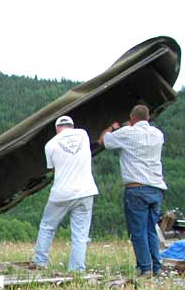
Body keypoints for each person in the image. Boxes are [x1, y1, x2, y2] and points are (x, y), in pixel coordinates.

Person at [98, 104, 166, 276]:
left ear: (132, 118)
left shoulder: (127, 133)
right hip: (156, 187)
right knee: (151, 229)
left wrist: (112, 128)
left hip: (136, 188)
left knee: (138, 231)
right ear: (148, 118)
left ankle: (145, 268)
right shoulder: (158, 134)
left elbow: (103, 141)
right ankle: (156, 267)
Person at [33, 115, 98, 272]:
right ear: (72, 126)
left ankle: (40, 263)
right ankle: (76, 270)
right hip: (86, 191)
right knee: (80, 235)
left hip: (61, 193)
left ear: (57, 129)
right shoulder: (83, 134)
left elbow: (52, 168)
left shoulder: (50, 144)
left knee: (47, 226)